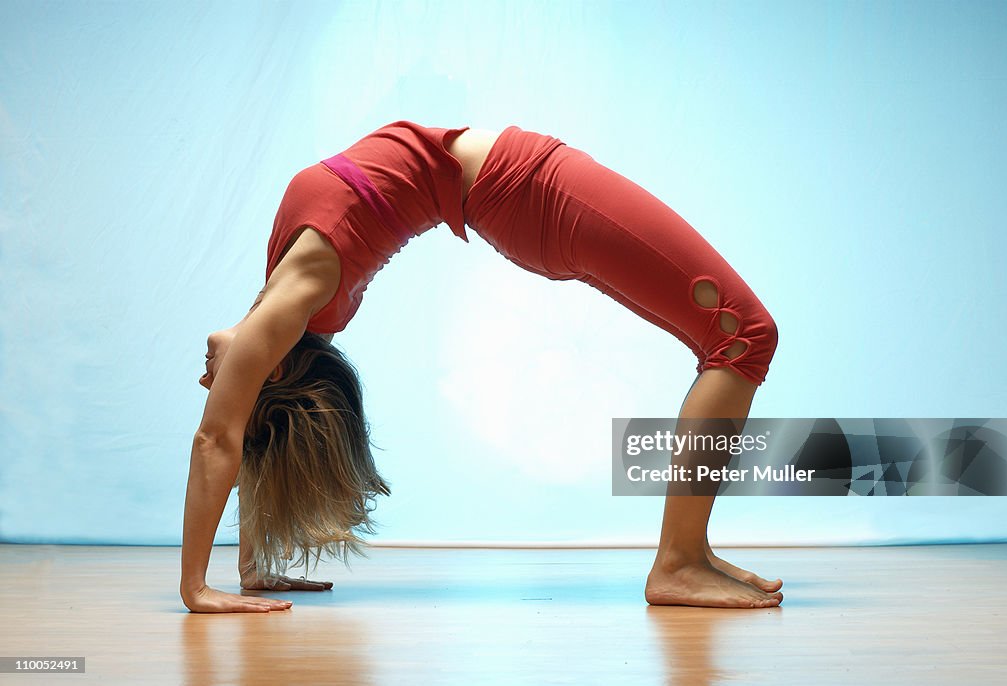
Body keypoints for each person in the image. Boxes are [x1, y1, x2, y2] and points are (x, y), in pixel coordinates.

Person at [180, 121, 783, 613]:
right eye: (227, 385)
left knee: (733, 336)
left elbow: (246, 435)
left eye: (216, 382)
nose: (209, 379)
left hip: (518, 188)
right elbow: (218, 438)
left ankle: (689, 555)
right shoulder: (299, 298)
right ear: (274, 372)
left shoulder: (284, 283)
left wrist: (254, 567)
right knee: (744, 335)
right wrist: (196, 589)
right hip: (527, 190)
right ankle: (678, 562)